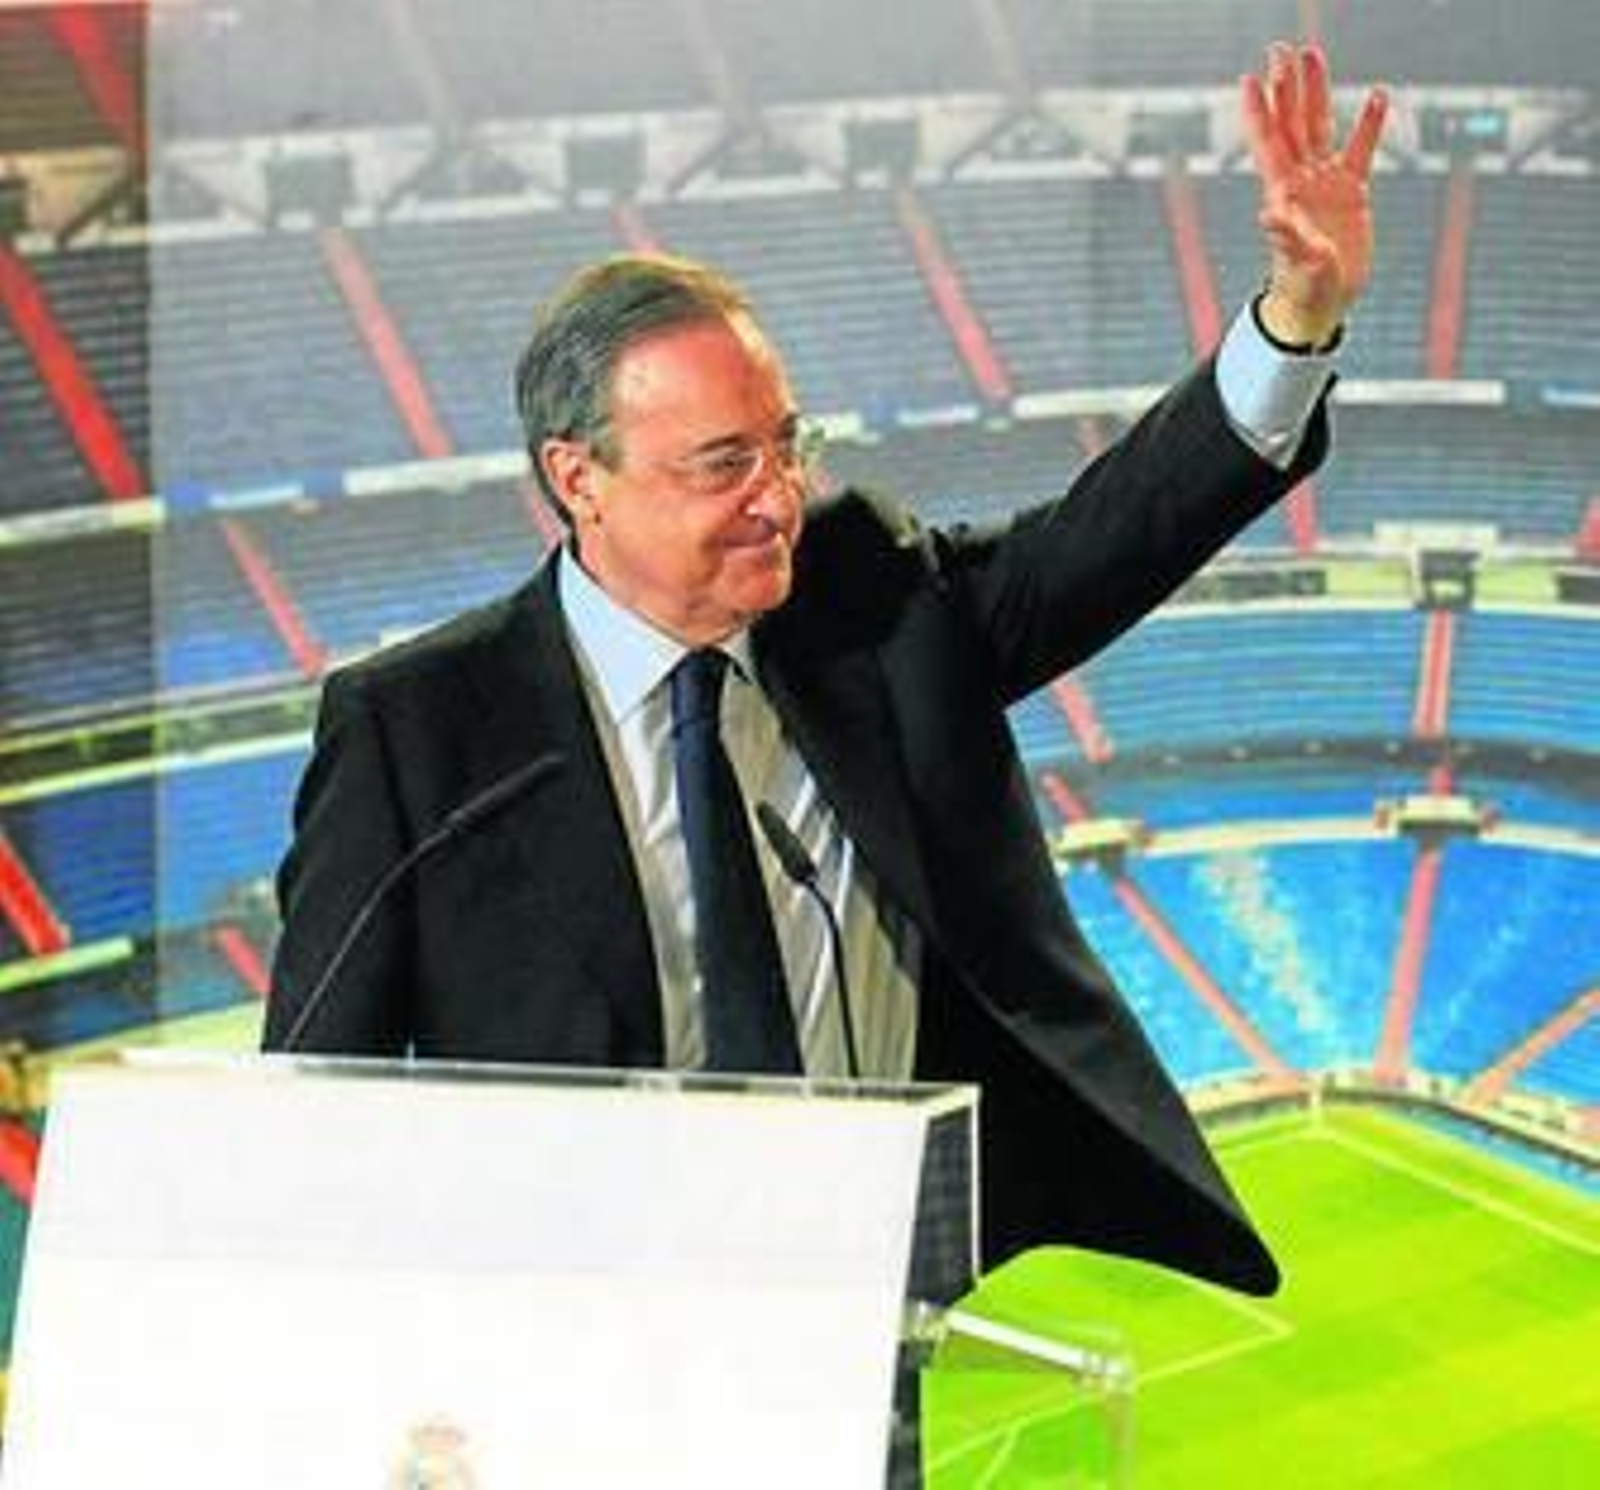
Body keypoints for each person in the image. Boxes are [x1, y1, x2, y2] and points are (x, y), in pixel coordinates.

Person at [266, 44, 1387, 1296]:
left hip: (861, 1298)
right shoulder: (417, 731)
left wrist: (1296, 315)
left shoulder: (874, 604)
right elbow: (314, 1098)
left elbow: (1112, 533)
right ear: (578, 477)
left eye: (786, 446)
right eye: (721, 462)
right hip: (578, 1334)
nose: (778, 496)